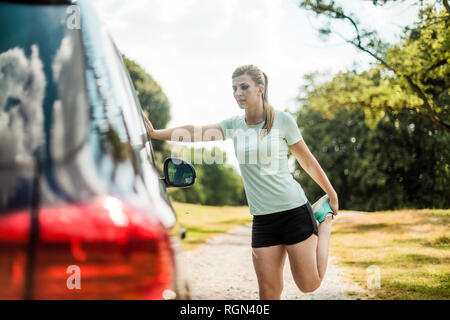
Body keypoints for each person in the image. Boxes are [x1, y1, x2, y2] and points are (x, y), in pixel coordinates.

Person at [142, 64, 339, 300]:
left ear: (260, 89)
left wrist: (331, 192)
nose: (238, 93)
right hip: (263, 219)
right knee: (268, 292)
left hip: (294, 211)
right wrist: (156, 134)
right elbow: (195, 132)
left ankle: (324, 223)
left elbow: (307, 162)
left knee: (309, 285)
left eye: (244, 87)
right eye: (234, 88)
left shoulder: (282, 121)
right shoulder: (234, 126)